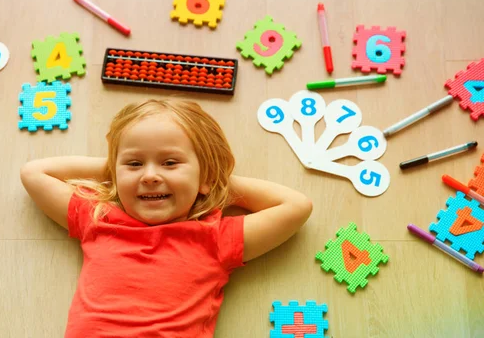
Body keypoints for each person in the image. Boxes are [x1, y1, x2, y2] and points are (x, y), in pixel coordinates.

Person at [20, 99, 312, 338]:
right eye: (135, 164)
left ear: (204, 175)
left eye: (170, 163)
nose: (149, 176)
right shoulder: (99, 218)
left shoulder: (215, 237)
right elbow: (34, 174)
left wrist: (212, 178)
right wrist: (113, 169)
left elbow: (296, 206)